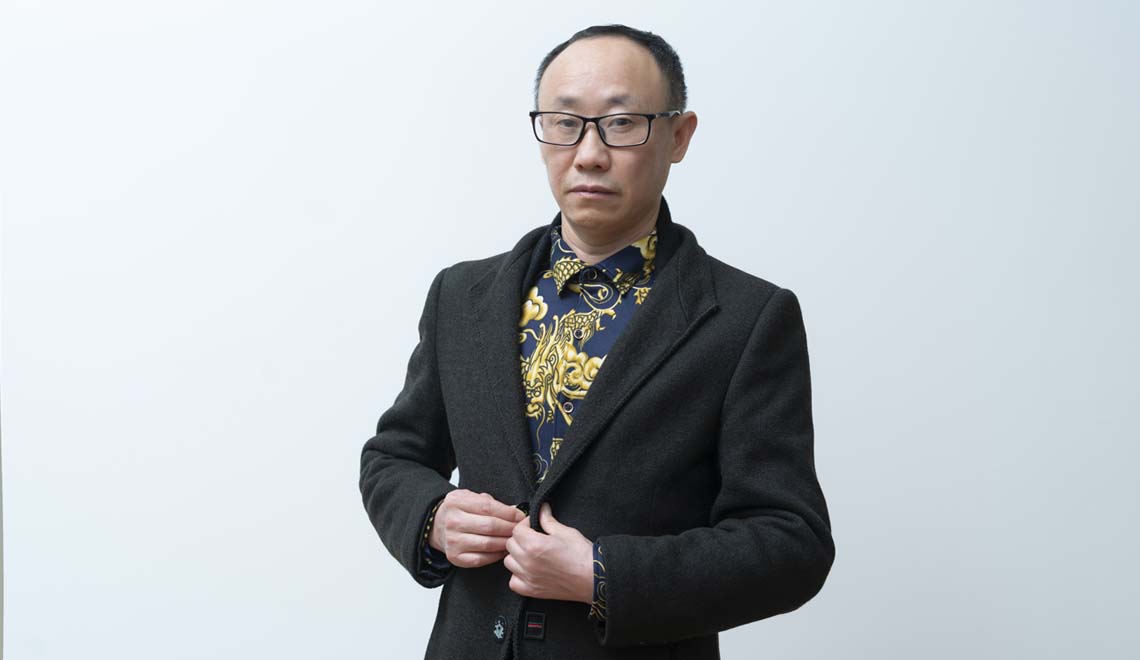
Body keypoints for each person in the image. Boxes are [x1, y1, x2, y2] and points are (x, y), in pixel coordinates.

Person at [359, 24, 834, 660]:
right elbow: (393, 456)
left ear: (679, 136)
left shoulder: (748, 318)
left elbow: (791, 542)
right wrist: (432, 518)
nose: (588, 154)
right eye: (564, 123)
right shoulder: (461, 296)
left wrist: (604, 575)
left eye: (621, 123)